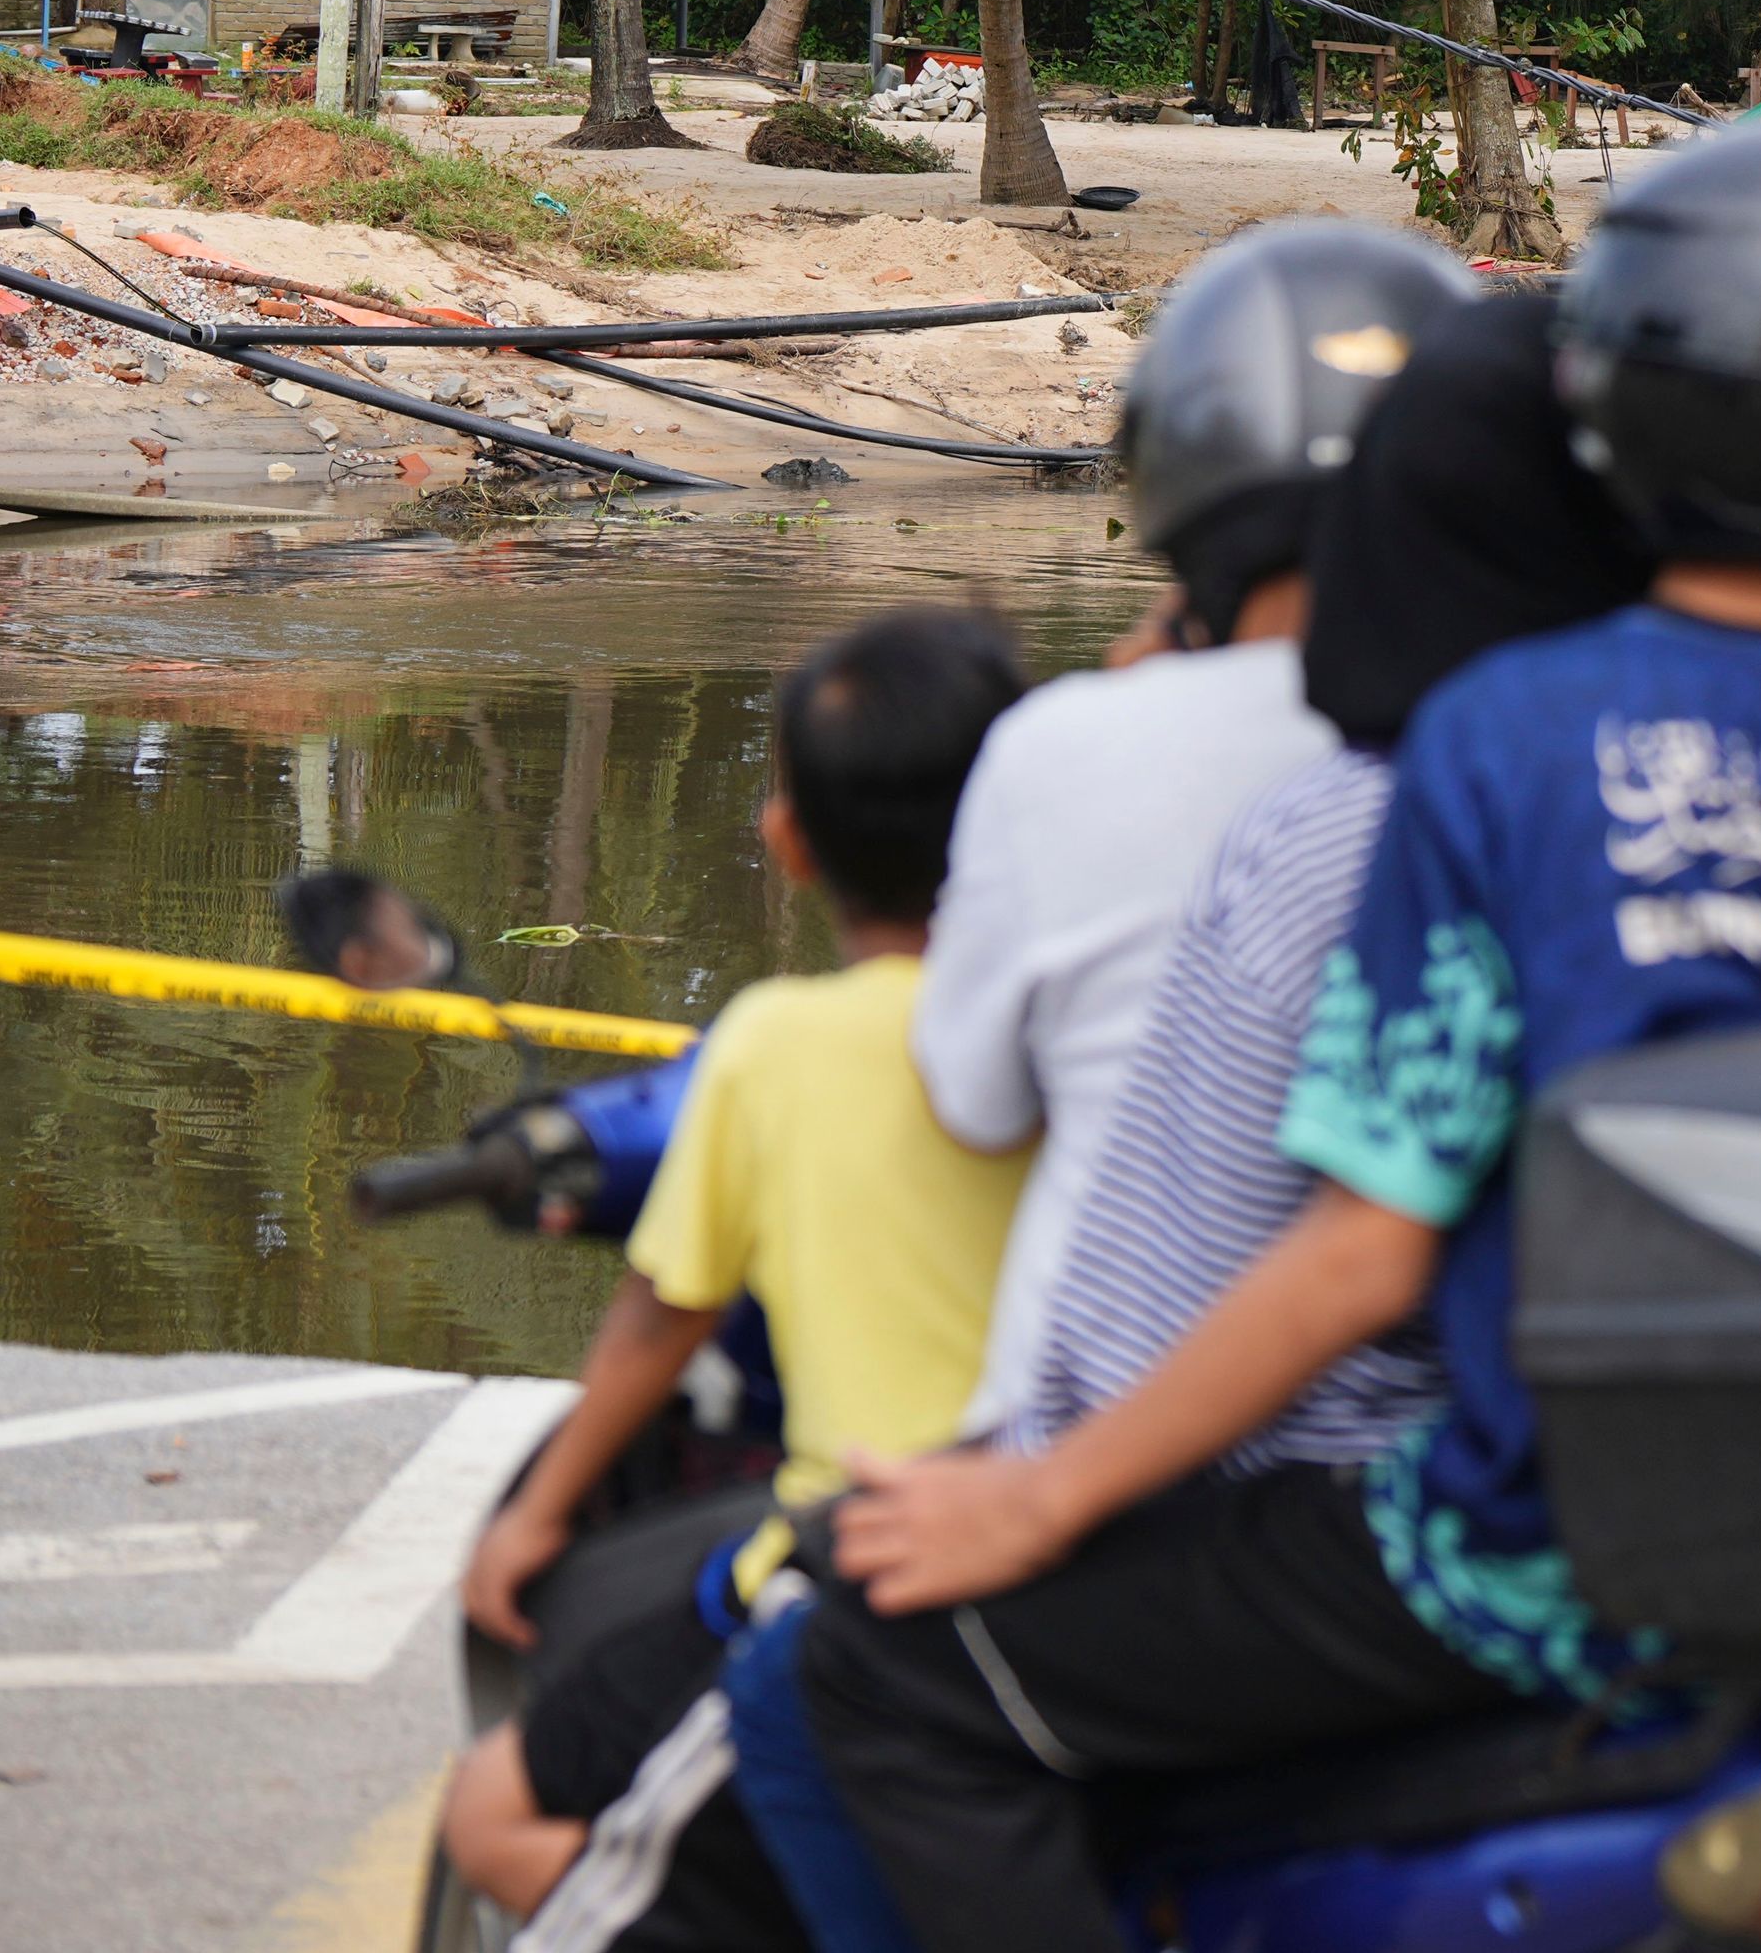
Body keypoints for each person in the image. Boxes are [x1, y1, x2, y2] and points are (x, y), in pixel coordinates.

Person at [781, 97, 1761, 1952]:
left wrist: (1038, 1499)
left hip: (1521, 1565)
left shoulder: (1504, 739)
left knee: (897, 1674)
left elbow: (1362, 1252)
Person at [714, 289, 1655, 1953]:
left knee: (832, 1671)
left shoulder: (1317, 812)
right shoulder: (1634, 767)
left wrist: (1051, 1485)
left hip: (1302, 1498)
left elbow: (1279, 1246)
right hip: (1633, 1484)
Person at [435, 605, 1030, 1953]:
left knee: (489, 1816)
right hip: (1093, 1551)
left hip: (847, 1577)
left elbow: (665, 1308)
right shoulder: (1092, 1019)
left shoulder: (772, 1046)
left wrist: (534, 1519)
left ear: (788, 839)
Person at [916, 222, 1475, 1442]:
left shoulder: (1066, 742)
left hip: (1091, 1454)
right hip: (1456, 1462)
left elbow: (974, 1099)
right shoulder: (1528, 754)